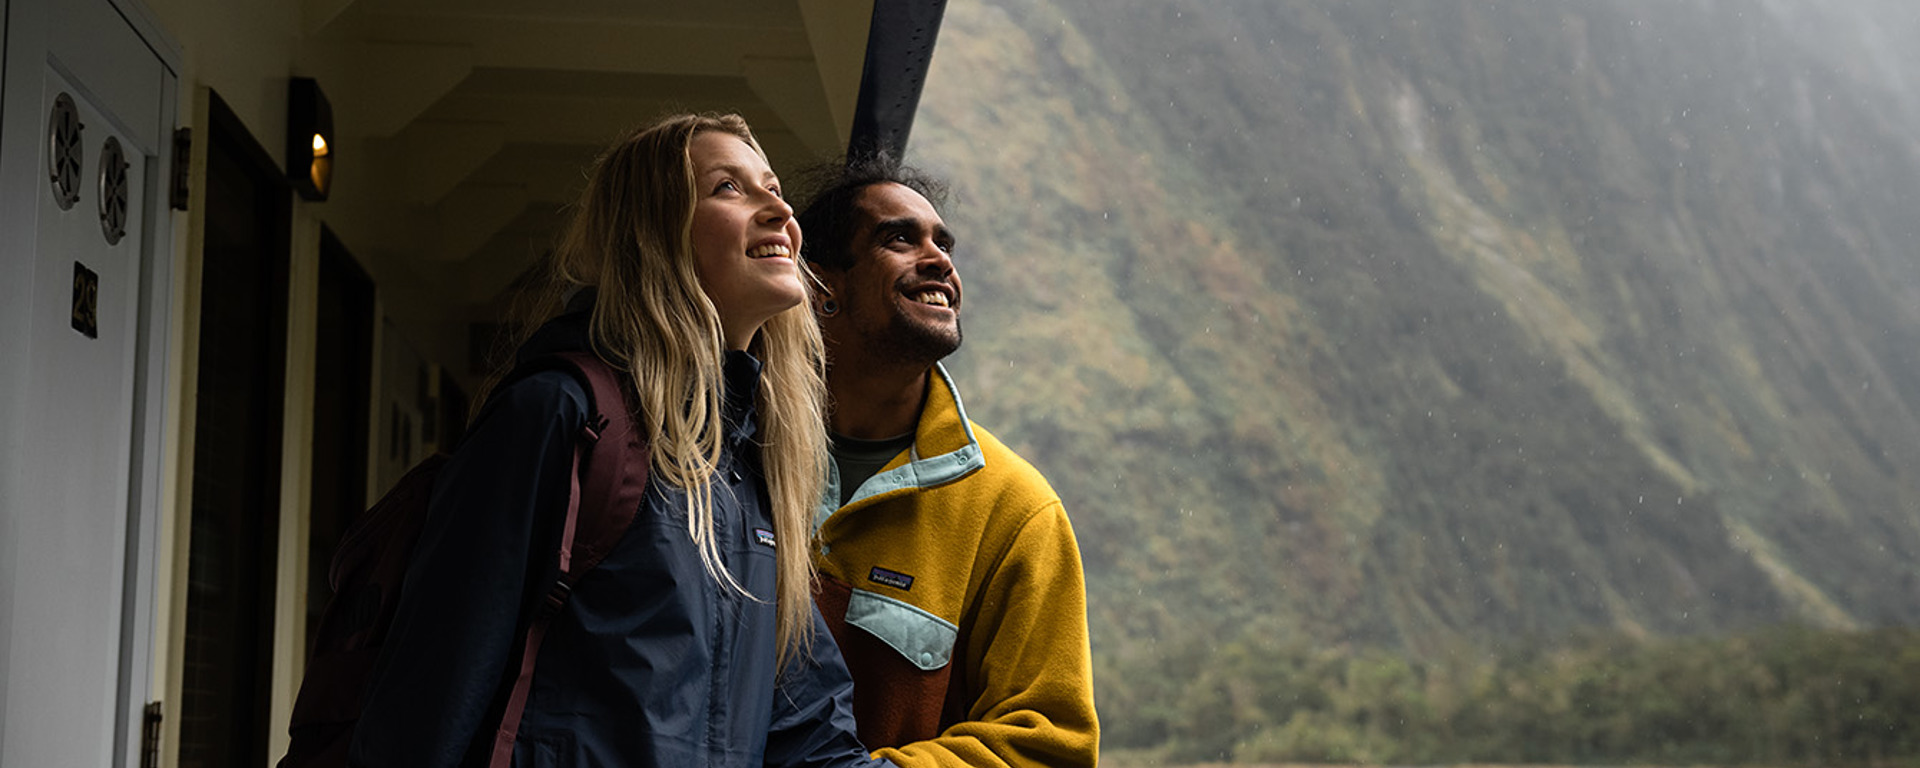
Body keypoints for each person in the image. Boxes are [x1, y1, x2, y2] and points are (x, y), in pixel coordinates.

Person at [349, 114, 889, 768]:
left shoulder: (760, 469)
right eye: (729, 187)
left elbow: (812, 736)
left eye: (774, 188)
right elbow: (428, 701)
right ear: (653, 233)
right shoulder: (560, 416)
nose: (779, 209)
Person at [794, 156, 1100, 767]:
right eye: (900, 238)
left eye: (943, 243)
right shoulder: (727, 459)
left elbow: (1050, 745)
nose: (940, 261)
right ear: (822, 287)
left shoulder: (1015, 508)